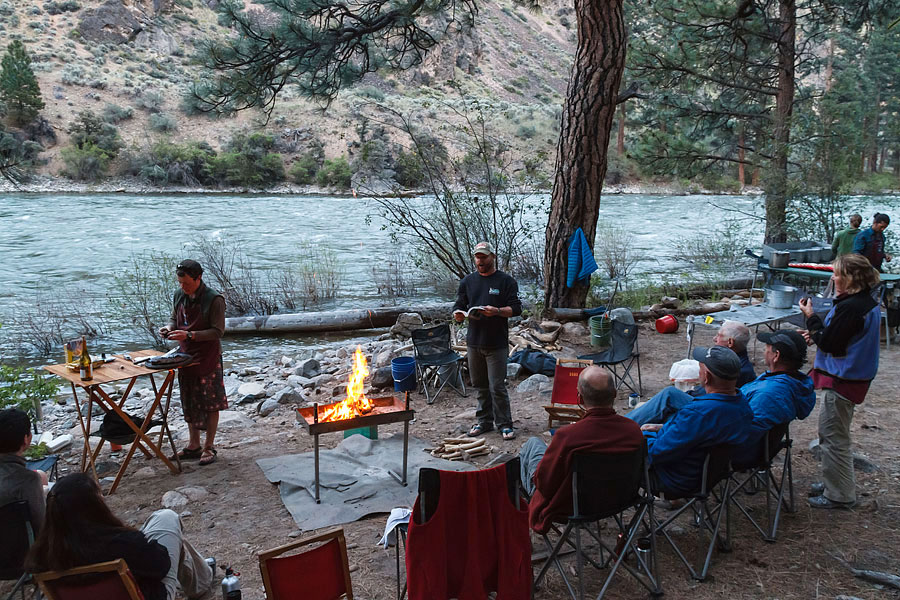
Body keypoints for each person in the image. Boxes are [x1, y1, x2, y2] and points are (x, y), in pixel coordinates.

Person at [26, 473, 213, 600]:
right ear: (93, 505)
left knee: (166, 533)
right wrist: (142, 541)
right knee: (166, 518)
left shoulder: (43, 555)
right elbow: (161, 566)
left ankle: (202, 572)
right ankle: (202, 581)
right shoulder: (119, 543)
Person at [799, 254, 881, 509]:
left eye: (836, 274)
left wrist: (811, 319)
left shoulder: (852, 307)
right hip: (852, 376)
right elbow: (840, 336)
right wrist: (818, 333)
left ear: (850, 278)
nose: (832, 278)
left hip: (844, 380)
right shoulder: (863, 301)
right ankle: (833, 481)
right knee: (831, 433)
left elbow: (832, 344)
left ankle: (840, 495)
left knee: (834, 437)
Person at [519, 367, 643, 534]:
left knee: (532, 445)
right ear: (614, 394)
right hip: (619, 499)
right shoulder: (633, 430)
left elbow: (544, 484)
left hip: (573, 506)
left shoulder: (567, 437)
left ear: (579, 398)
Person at [642, 346, 752, 498]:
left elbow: (656, 452)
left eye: (699, 368)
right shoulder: (743, 405)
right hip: (710, 476)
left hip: (675, 480)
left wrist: (642, 434)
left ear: (706, 376)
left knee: (620, 451)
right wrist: (664, 429)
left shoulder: (698, 414)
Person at [159, 260, 227, 466]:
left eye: (186, 283)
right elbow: (174, 318)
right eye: (180, 283)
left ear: (198, 278)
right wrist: (169, 328)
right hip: (185, 356)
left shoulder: (214, 299)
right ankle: (193, 444)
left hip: (207, 356)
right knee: (189, 399)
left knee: (210, 402)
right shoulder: (179, 295)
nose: (182, 287)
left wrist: (190, 335)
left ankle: (209, 446)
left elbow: (218, 331)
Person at [453, 241, 522, 441]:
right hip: (474, 342)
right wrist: (458, 314)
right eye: (477, 257)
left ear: (492, 257)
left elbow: (516, 309)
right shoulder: (468, 281)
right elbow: (459, 304)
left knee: (497, 386)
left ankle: (505, 424)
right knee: (480, 385)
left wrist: (497, 312)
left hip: (497, 343)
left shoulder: (506, 281)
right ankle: (484, 421)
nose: (480, 261)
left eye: (484, 256)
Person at [625, 320, 754, 426]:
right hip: (707, 408)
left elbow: (711, 400)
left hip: (704, 409)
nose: (714, 339)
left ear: (730, 342)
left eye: (719, 336)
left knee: (670, 394)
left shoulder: (735, 370)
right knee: (656, 405)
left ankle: (620, 428)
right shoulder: (741, 365)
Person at [731, 331, 816, 466]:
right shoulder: (792, 382)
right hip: (756, 447)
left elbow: (745, 434)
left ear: (776, 356)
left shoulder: (770, 394)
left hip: (737, 453)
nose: (764, 352)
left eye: (767, 349)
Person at [0, 408, 46, 528]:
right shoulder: (27, 480)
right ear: (26, 439)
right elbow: (41, 525)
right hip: (17, 543)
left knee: (42, 476)